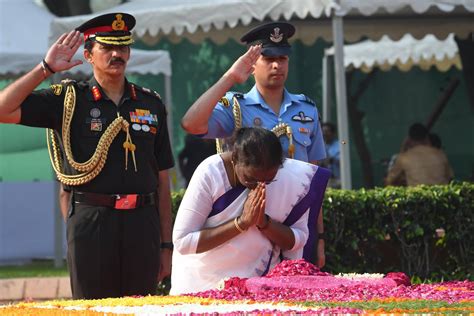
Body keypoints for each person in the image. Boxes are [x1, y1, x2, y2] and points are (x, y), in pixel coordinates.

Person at [0, 13, 174, 299]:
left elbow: (162, 179)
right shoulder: (69, 99)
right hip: (92, 222)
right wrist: (45, 69)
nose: (117, 54)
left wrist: (166, 246)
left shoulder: (151, 103)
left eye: (123, 47)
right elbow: (4, 109)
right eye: (107, 47)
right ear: (88, 55)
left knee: (141, 308)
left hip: (142, 223)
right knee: (91, 308)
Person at [180, 21, 327, 268]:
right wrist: (230, 78)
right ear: (252, 64)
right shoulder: (235, 106)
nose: (277, 65)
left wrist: (319, 236)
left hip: (294, 226)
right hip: (247, 227)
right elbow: (191, 124)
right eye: (268, 58)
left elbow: (314, 182)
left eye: (282, 58)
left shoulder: (307, 110)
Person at [170, 127, 330, 294]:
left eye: (268, 181)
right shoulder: (211, 172)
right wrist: (241, 223)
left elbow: (297, 240)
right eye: (250, 179)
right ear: (235, 158)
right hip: (201, 284)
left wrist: (264, 223)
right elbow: (183, 241)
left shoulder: (287, 179)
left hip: (259, 287)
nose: (258, 186)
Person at [385, 123, 453, 186]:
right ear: (427, 137)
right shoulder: (440, 154)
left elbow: (389, 181)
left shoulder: (404, 157)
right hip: (441, 196)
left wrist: (402, 149)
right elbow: (450, 177)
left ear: (409, 139)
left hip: (418, 197)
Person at [321, 122, 340, 188]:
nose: (324, 134)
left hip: (337, 179)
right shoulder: (319, 145)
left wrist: (331, 160)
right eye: (323, 131)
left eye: (327, 131)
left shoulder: (339, 145)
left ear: (333, 133)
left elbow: (341, 161)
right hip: (322, 179)